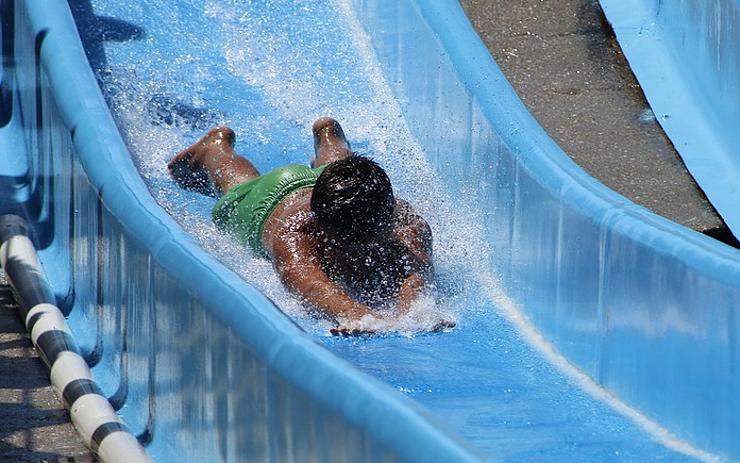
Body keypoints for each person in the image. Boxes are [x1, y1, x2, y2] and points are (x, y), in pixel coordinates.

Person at [168, 117, 450, 335]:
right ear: (318, 226)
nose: (359, 251)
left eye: (368, 240)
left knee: (346, 175)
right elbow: (310, 285)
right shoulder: (292, 233)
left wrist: (413, 311)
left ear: (388, 217)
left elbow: (416, 274)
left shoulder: (408, 224)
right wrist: (358, 314)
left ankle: (329, 140)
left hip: (325, 184)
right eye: (346, 243)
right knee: (237, 184)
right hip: (265, 203)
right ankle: (213, 150)